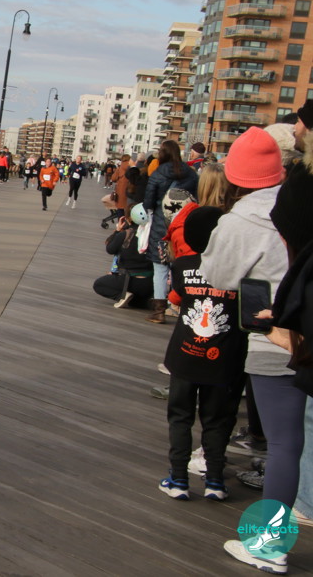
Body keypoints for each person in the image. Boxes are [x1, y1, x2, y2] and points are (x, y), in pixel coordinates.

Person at [199, 128, 305, 573]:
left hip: (275, 338)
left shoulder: (240, 220)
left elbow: (217, 277)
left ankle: (269, 546)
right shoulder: (302, 200)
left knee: (283, 444)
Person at [158, 207, 247, 502]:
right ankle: (215, 481)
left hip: (184, 354)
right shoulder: (241, 269)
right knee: (218, 419)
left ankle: (178, 479)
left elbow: (178, 295)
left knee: (180, 416)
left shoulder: (183, 266)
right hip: (223, 356)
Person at [143, 140, 198, 324]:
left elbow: (148, 202)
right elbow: (196, 198)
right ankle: (177, 306)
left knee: (160, 268)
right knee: (180, 266)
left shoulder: (158, 173)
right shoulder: (191, 173)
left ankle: (159, 311)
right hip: (184, 225)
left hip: (161, 224)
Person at [93, 205, 153, 308]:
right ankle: (145, 301)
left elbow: (110, 249)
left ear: (128, 219)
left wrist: (117, 230)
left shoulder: (125, 235)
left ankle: (122, 296)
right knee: (136, 303)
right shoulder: (153, 236)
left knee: (98, 284)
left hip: (128, 281)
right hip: (150, 282)